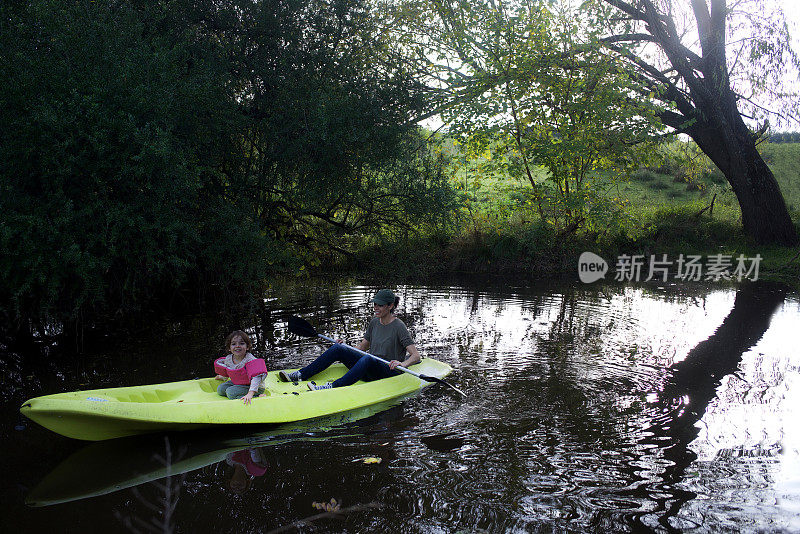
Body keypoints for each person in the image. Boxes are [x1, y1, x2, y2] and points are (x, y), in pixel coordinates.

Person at [280, 288, 421, 390]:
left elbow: (415, 356)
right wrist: (345, 347)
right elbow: (361, 348)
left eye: (380, 305)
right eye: (375, 304)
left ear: (390, 306)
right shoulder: (374, 322)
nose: (376, 308)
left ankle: (333, 387)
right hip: (370, 367)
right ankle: (300, 375)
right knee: (339, 348)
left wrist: (402, 364)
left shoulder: (399, 326)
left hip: (388, 371)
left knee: (368, 358)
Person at [214, 330, 267, 405]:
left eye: (241, 343)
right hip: (239, 383)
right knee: (220, 389)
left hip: (255, 387)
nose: (237, 346)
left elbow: (256, 378)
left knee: (230, 392)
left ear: (247, 347)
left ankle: (258, 396)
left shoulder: (250, 360)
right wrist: (222, 377)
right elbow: (228, 371)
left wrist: (250, 393)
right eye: (233, 344)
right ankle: (240, 392)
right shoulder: (228, 359)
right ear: (229, 348)